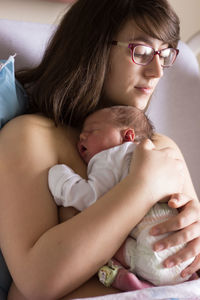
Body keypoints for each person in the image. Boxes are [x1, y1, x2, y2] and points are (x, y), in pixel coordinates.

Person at [0, 0, 200, 299]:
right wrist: (142, 187)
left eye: (166, 54)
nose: (158, 71)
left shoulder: (161, 148)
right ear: (93, 47)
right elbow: (34, 283)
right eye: (142, 52)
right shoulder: (32, 137)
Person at [48, 105, 195, 290]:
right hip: (183, 258)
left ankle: (121, 276)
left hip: (155, 252)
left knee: (112, 247)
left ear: (127, 136)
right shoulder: (157, 156)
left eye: (93, 131)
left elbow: (92, 199)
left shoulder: (111, 156)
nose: (82, 137)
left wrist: (60, 179)